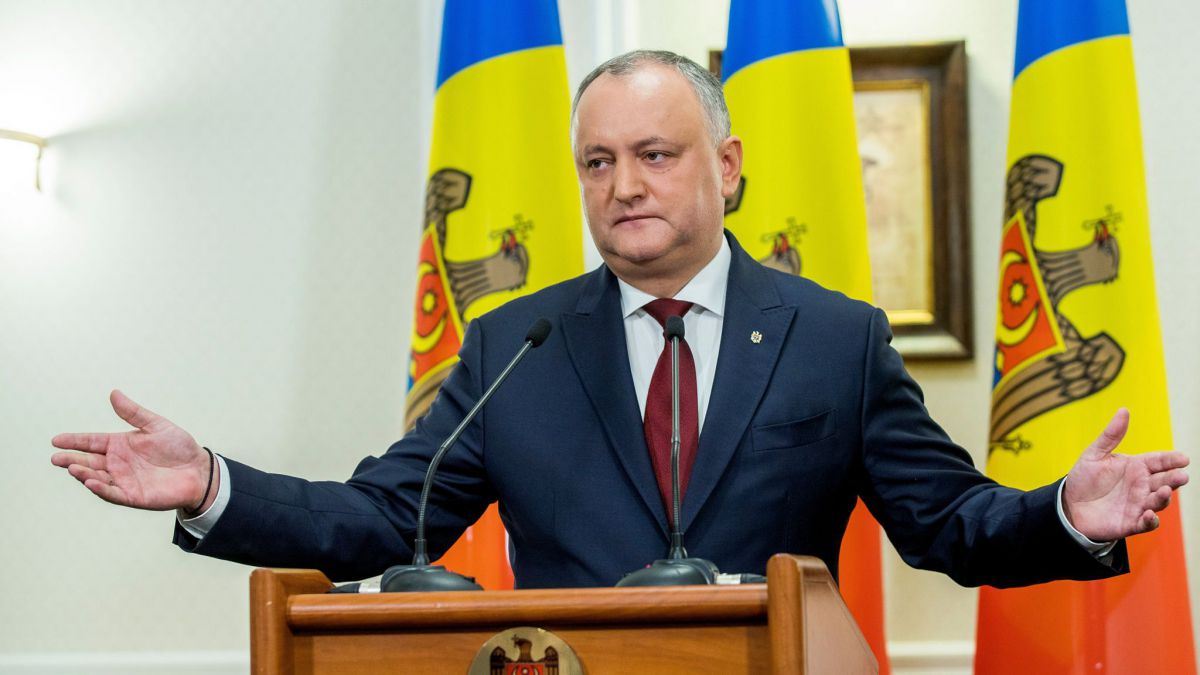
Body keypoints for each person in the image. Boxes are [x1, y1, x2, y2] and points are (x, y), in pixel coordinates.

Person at [51, 51, 1189, 588]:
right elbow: (386, 519)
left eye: (654, 154)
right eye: (598, 162)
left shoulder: (837, 339)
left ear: (726, 166)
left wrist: (1067, 513)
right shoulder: (515, 345)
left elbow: (949, 524)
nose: (624, 185)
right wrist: (212, 484)